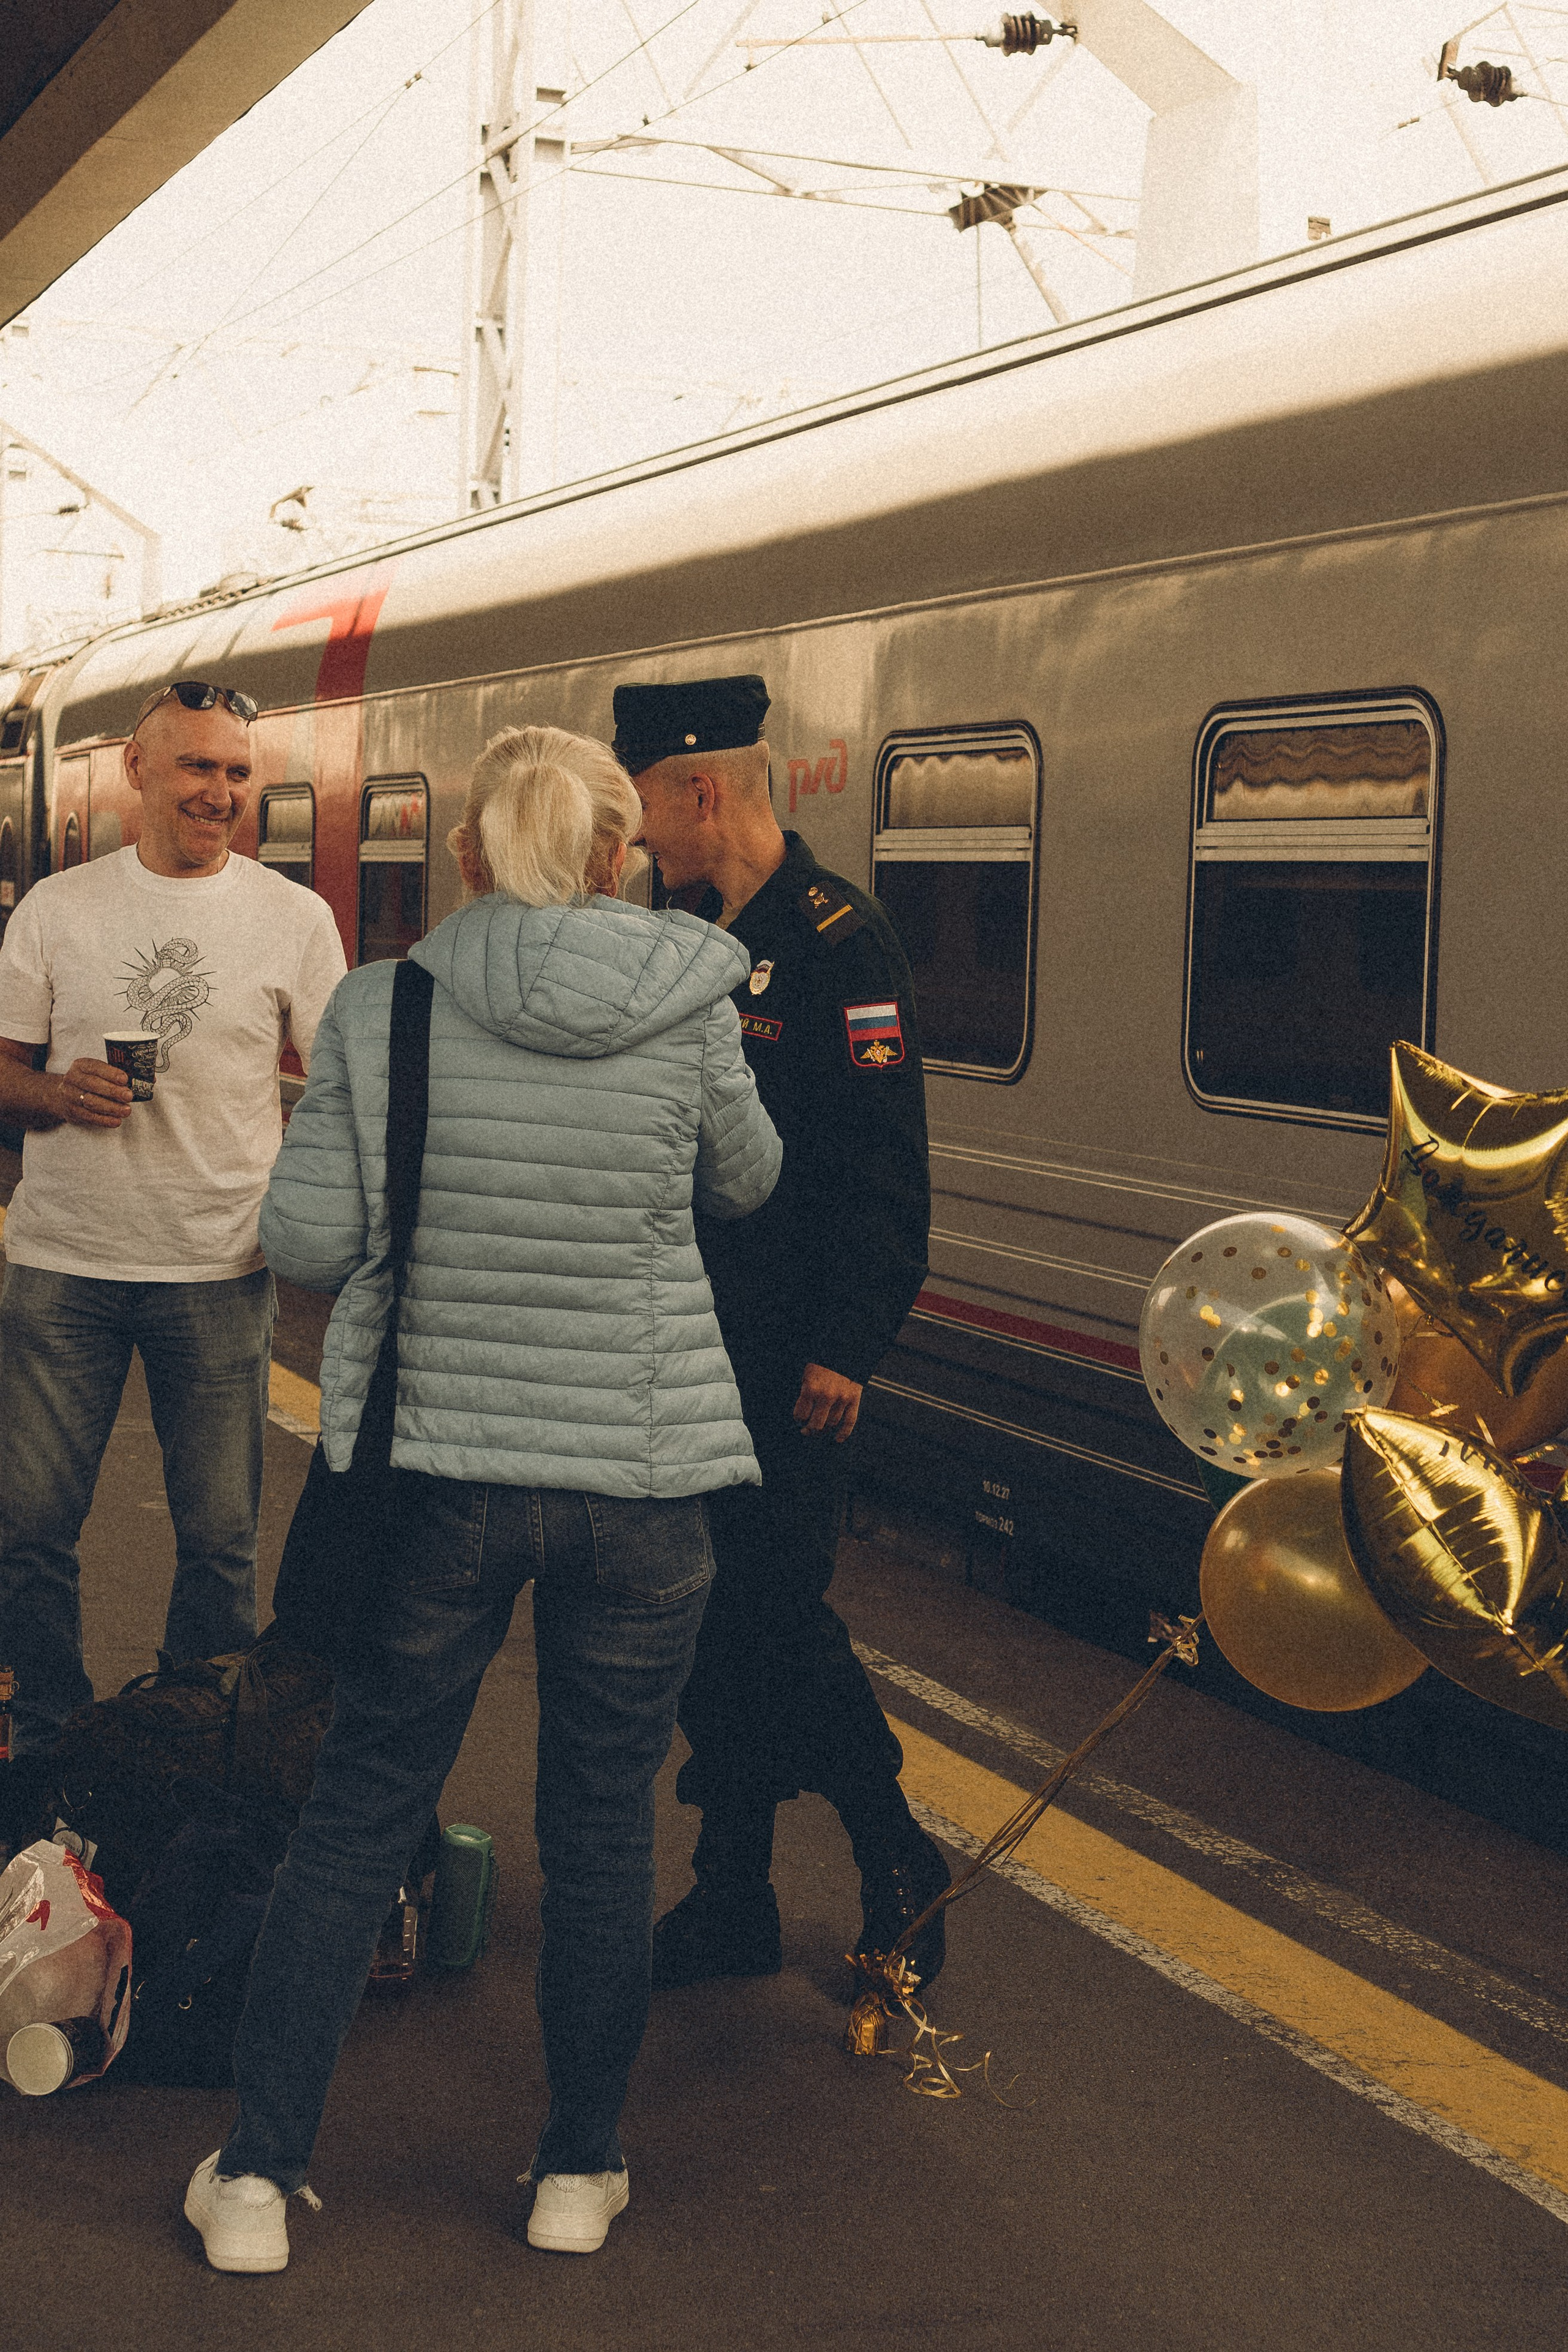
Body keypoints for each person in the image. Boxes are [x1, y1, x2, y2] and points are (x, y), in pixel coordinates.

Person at [183, 723, 780, 2275]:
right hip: (642, 1487)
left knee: (359, 1813)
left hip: (439, 1482)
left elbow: (309, 1245)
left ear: (467, 853)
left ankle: (256, 2182)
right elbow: (746, 1181)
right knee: (600, 1833)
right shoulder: (693, 994)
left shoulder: (386, 1008)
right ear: (613, 853)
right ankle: (575, 2172)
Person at [614, 674, 949, 1995]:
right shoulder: (674, 929)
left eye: (643, 804)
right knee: (713, 1623)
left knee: (773, 1610)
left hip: (788, 1354)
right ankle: (733, 1890)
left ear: (701, 790)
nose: (636, 834)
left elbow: (886, 1171)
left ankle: (892, 1848)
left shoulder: (836, 943)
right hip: (683, 1341)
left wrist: (848, 1345)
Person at [0, 680, 346, 1834]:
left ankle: (193, 1750)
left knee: (220, 1545)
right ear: (137, 771)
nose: (221, 792)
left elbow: (341, 1081)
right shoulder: (57, 908)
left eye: (238, 772)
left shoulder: (295, 918)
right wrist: (56, 1091)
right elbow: (1, 1067)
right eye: (198, 766)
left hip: (219, 1267)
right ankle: (48, 1744)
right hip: (64, 1265)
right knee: (32, 1534)